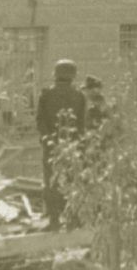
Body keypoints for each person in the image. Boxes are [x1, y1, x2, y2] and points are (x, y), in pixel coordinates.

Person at [35, 59, 86, 231]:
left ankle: (54, 221)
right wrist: (79, 145)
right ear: (73, 75)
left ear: (56, 74)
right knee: (72, 181)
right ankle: (73, 220)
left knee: (51, 182)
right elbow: (82, 125)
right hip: (73, 147)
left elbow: (40, 122)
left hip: (51, 146)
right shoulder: (79, 96)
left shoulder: (46, 95)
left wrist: (47, 139)